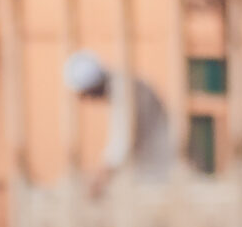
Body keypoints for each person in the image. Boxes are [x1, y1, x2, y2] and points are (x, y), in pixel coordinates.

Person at [63, 50, 175, 195]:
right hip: (155, 170)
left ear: (91, 88)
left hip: (160, 174)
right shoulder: (124, 85)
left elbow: (122, 141)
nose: (87, 100)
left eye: (85, 95)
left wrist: (101, 176)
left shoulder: (124, 91)